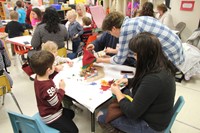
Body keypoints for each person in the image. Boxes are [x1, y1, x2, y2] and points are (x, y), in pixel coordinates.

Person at [97, 32, 176, 133]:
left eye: (135, 54)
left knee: (101, 115)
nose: (134, 56)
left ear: (144, 55)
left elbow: (132, 112)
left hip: (151, 126)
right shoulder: (161, 64)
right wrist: (129, 81)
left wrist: (117, 92)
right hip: (159, 115)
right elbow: (145, 82)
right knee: (125, 93)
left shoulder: (154, 79)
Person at [88, 11, 184, 68]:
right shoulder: (131, 21)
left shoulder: (125, 30)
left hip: (169, 56)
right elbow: (130, 51)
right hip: (176, 47)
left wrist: (99, 60)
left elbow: (119, 60)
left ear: (113, 28)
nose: (111, 35)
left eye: (110, 32)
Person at [29, 50, 78, 133]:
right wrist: (61, 89)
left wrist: (54, 71)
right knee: (74, 131)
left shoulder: (38, 77)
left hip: (47, 110)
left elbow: (48, 76)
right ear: (48, 70)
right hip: (51, 116)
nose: (55, 65)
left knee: (71, 114)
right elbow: (56, 103)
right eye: (53, 64)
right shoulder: (47, 87)